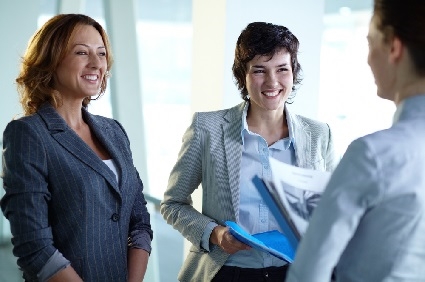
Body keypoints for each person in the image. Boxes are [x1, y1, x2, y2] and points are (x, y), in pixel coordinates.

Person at [160, 21, 338, 282]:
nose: (272, 81)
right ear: (242, 75)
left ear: (293, 72)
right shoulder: (207, 128)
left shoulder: (319, 134)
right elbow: (173, 204)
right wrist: (214, 233)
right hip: (226, 272)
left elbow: (333, 209)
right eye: (259, 70)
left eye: (282, 69)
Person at [0, 14, 153, 282]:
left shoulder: (114, 131)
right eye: (82, 52)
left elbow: (139, 222)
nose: (96, 63)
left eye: (102, 53)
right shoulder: (28, 134)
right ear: (51, 60)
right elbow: (35, 248)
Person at [286, 1, 425, 281]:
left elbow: (308, 274)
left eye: (370, 41)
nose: (368, 58)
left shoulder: (372, 155)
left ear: (394, 48)